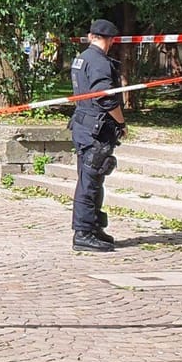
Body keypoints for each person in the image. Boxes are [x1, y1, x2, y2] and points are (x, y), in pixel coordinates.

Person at [68, 19, 126, 252]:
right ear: (110, 40)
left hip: (84, 124)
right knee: (90, 181)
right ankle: (83, 232)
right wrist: (121, 122)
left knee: (92, 178)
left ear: (92, 36)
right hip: (95, 128)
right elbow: (105, 97)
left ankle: (93, 227)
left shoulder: (82, 58)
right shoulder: (100, 62)